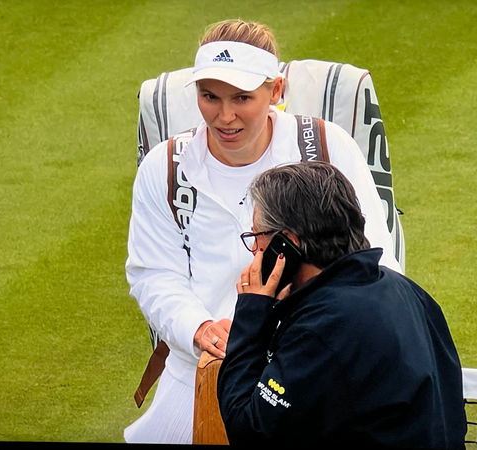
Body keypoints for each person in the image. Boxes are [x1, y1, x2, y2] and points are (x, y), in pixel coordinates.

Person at [125, 19, 402, 444]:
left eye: (242, 98)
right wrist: (198, 328)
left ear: (276, 92)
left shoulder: (329, 148)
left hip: (311, 364)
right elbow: (153, 274)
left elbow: (377, 259)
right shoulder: (162, 168)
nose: (225, 115)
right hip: (202, 374)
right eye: (209, 97)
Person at [217, 161, 467, 448]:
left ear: (286, 244)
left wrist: (252, 314)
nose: (255, 251)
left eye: (257, 236)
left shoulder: (321, 327)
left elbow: (248, 429)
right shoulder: (409, 292)